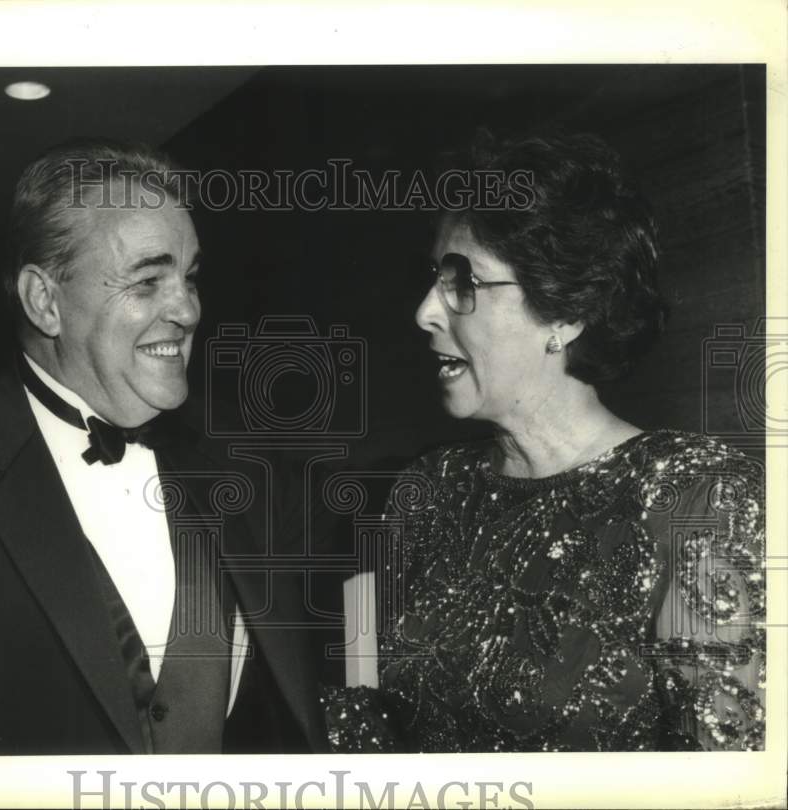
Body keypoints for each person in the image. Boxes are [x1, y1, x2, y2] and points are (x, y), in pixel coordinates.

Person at [0, 139, 327, 755]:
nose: (186, 308)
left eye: (189, 278)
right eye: (147, 280)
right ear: (44, 301)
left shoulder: (251, 478)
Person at [323, 132, 765, 752]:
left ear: (567, 312)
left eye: (463, 281)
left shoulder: (695, 497)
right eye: (434, 278)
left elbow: (726, 773)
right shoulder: (423, 490)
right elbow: (357, 700)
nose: (426, 310)